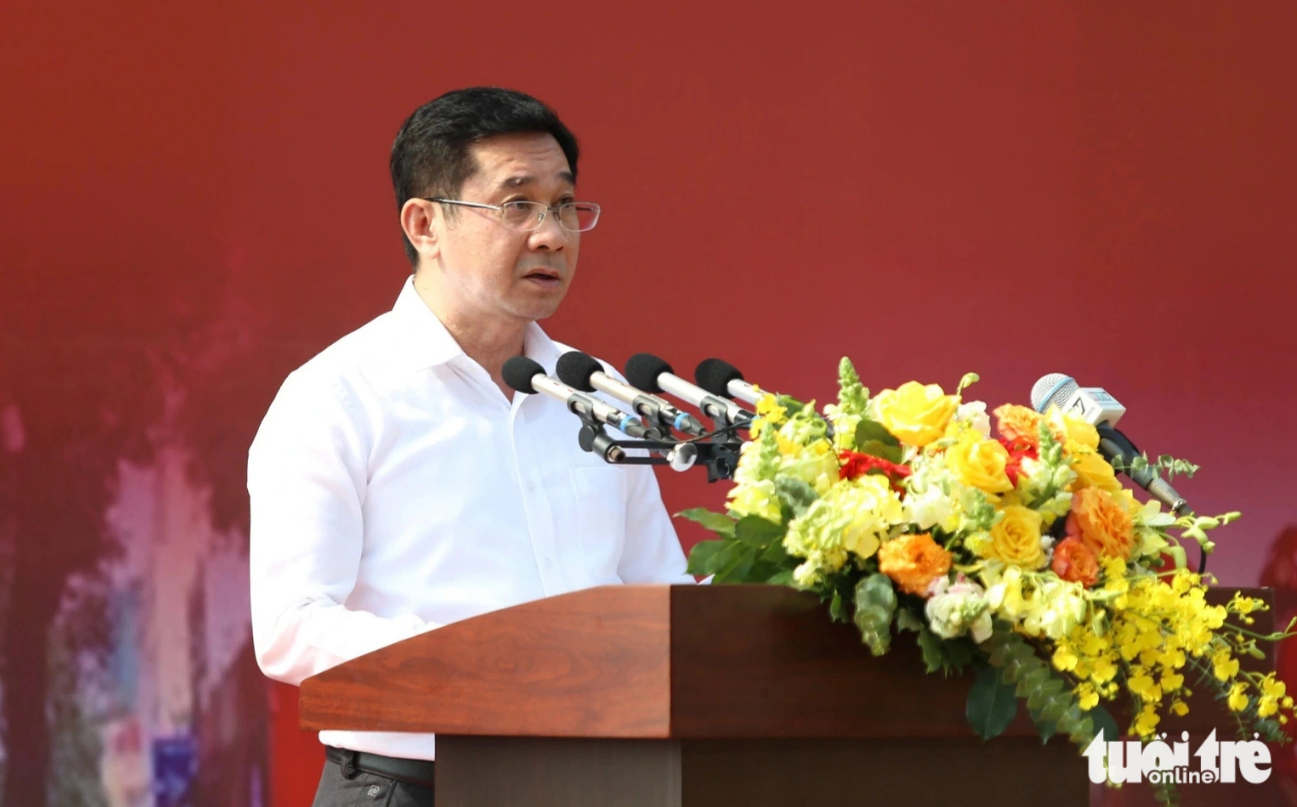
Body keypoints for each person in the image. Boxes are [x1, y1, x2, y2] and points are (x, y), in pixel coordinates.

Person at [247, 87, 693, 807]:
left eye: (562, 206)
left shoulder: (599, 393)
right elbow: (292, 628)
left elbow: (657, 596)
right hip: (414, 787)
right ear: (425, 222)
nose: (550, 234)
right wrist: (494, 669)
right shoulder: (337, 395)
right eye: (516, 205)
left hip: (603, 784)